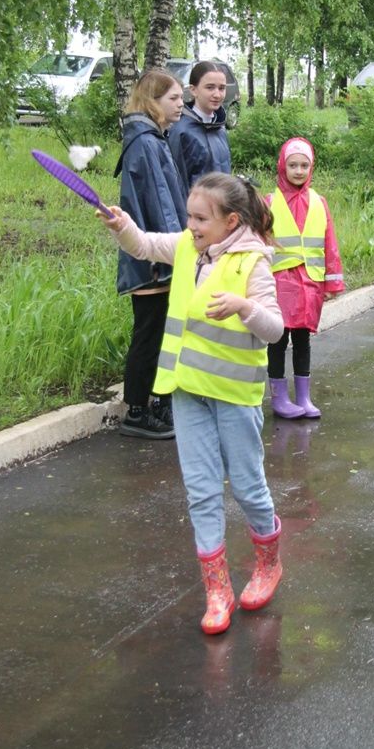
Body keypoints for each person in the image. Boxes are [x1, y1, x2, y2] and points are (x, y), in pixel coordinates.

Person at [99, 173, 284, 636]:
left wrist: (243, 306)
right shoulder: (186, 246)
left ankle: (268, 563)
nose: (192, 225)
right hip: (187, 391)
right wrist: (121, 224)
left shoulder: (253, 264)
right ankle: (216, 590)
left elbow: (275, 330)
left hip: (234, 398)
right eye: (189, 215)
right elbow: (143, 246)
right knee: (201, 493)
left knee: (247, 487)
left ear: (231, 221)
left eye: (201, 218)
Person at [114, 69, 188, 440]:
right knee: (149, 334)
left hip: (160, 257)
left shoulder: (155, 138)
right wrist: (168, 257)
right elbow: (157, 207)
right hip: (152, 262)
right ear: (152, 101)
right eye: (173, 98)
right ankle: (137, 411)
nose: (181, 104)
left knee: (162, 333)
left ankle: (159, 403)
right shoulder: (144, 142)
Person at [267, 137, 345, 418]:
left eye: (304, 165)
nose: (299, 171)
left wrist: (333, 281)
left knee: (303, 339)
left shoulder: (319, 202)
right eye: (293, 165)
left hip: (309, 284)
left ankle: (303, 397)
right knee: (277, 339)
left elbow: (329, 243)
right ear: (282, 166)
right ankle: (279, 397)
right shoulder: (270, 202)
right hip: (279, 284)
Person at [168, 60, 232, 190]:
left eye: (222, 88)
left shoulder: (220, 128)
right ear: (193, 90)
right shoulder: (180, 130)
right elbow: (175, 182)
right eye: (210, 87)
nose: (217, 94)